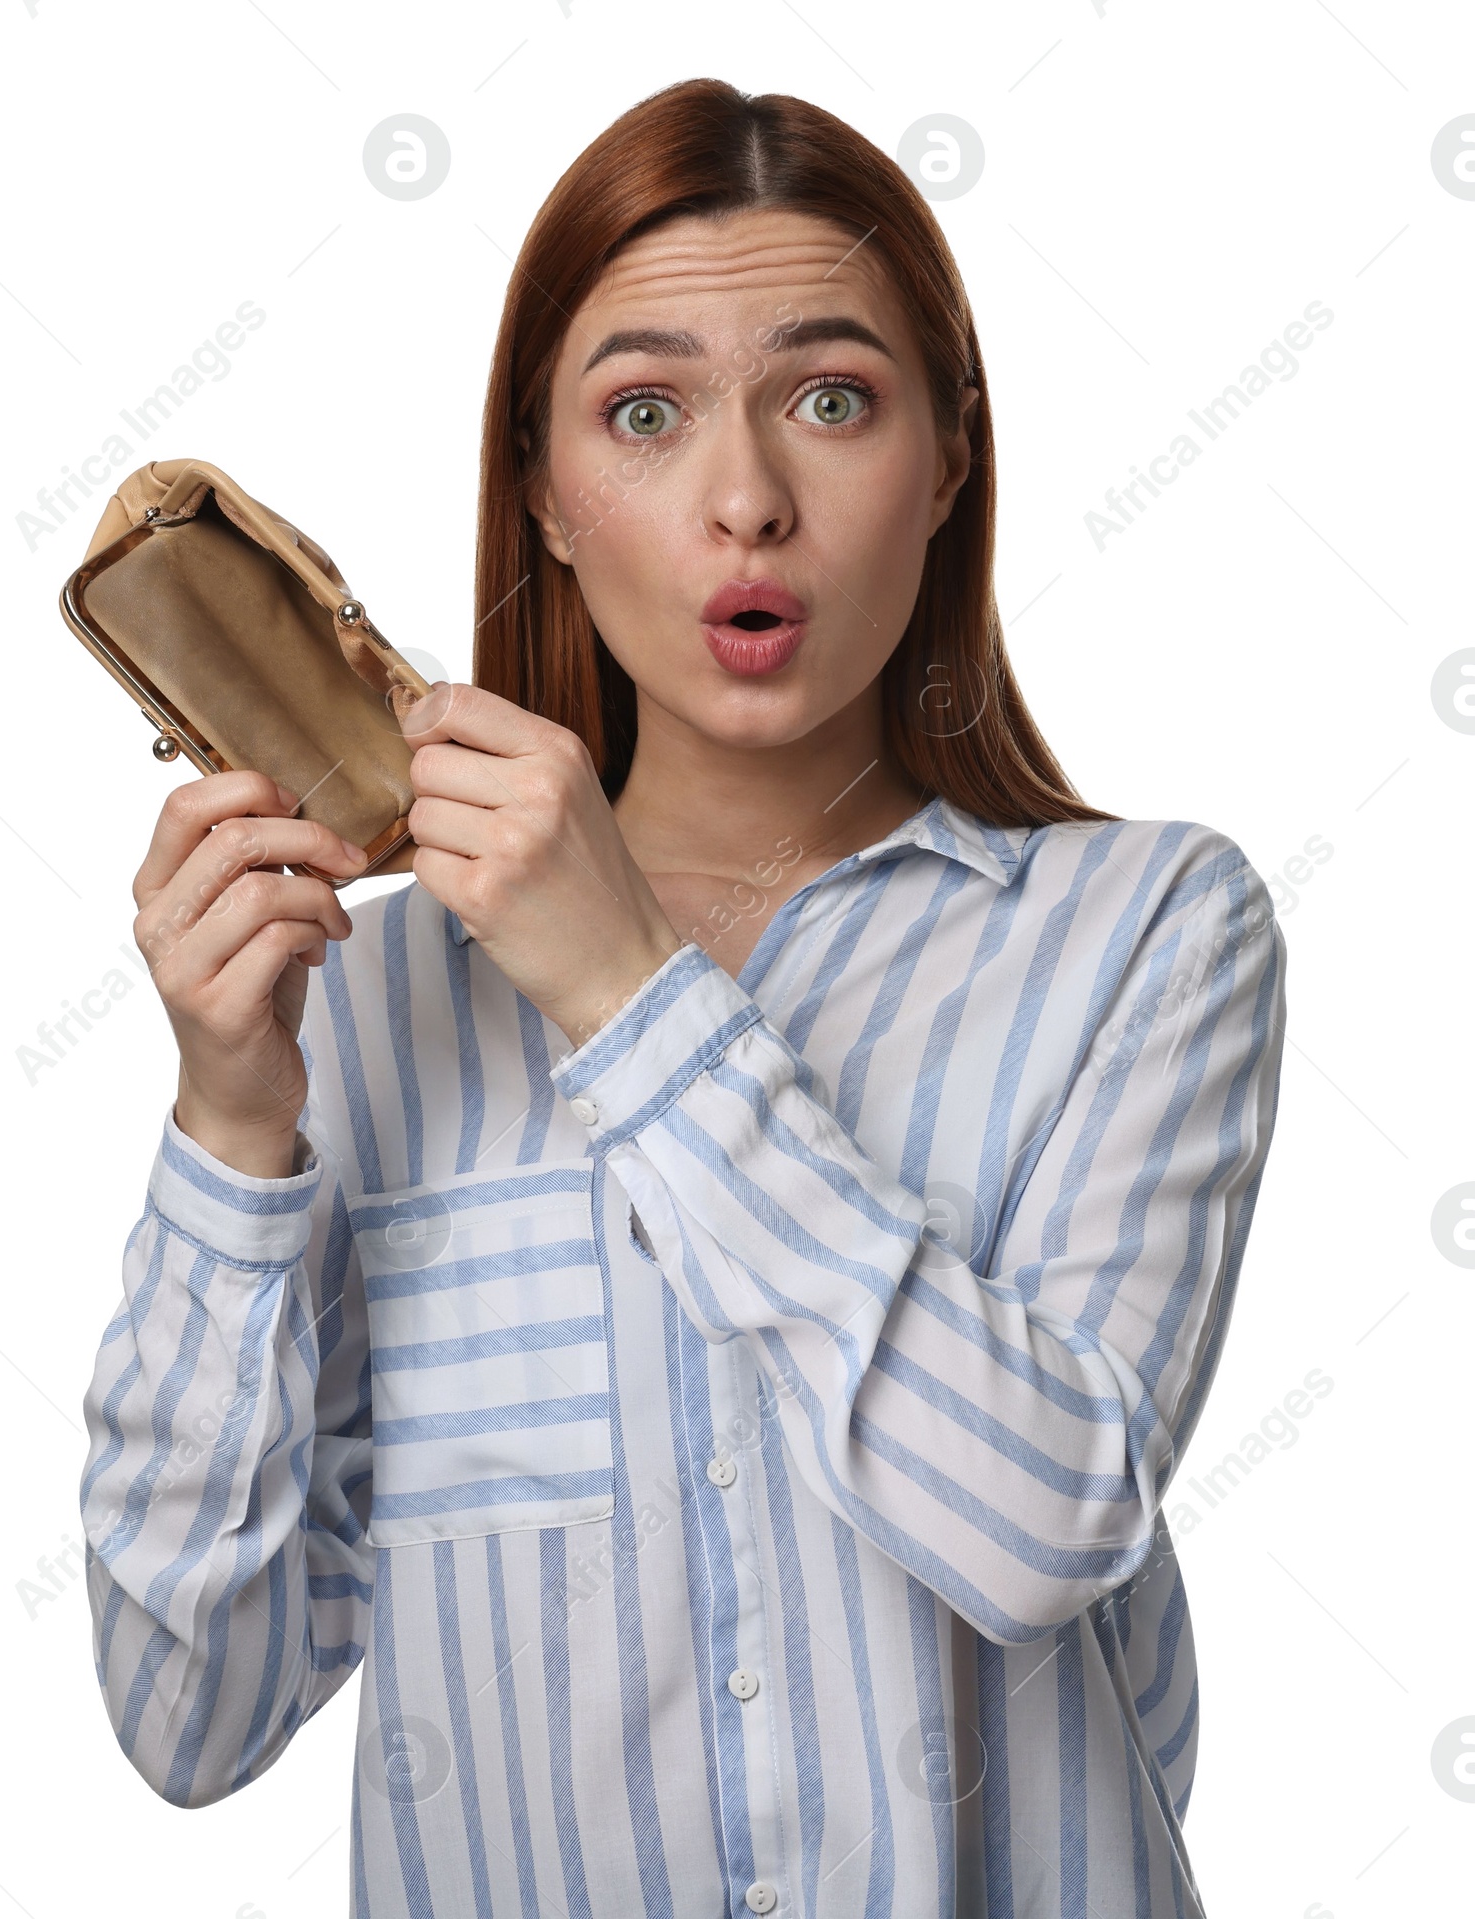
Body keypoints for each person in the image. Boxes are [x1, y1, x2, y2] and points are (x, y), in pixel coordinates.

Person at [78, 77, 1286, 1919]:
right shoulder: (369, 1009)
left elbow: (1045, 1526)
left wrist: (628, 991)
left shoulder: (1151, 935)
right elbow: (189, 1720)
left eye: (832, 398)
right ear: (546, 497)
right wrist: (233, 1137)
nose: (747, 500)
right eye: (644, 413)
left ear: (949, 459)